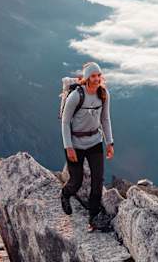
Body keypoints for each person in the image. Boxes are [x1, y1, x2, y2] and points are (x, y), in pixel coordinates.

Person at [60, 61, 115, 231]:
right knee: (76, 181)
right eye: (93, 76)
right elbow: (65, 121)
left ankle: (93, 216)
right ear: (86, 78)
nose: (97, 79)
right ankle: (65, 194)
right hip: (75, 143)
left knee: (97, 181)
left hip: (95, 142)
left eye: (99, 75)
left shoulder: (103, 94)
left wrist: (109, 142)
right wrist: (68, 147)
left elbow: (105, 119)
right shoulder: (76, 96)